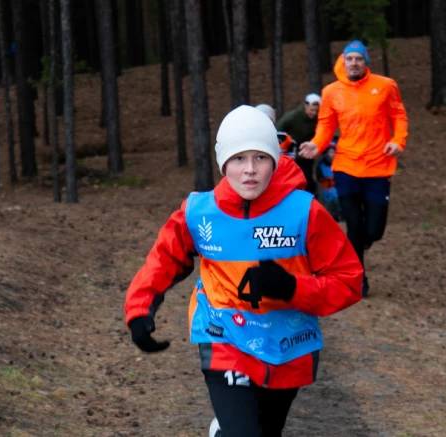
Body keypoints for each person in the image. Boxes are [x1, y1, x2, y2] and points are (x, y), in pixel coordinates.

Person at [124, 105, 363, 437]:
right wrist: (139, 311)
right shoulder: (199, 211)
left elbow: (349, 282)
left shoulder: (304, 211)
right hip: (225, 336)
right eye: (238, 159)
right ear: (223, 163)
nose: (249, 170)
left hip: (288, 343)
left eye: (260, 158)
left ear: (275, 160)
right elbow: (162, 260)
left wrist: (293, 288)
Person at [299, 40, 409, 297]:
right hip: (346, 166)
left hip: (378, 167)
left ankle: (360, 243)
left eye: (359, 59)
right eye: (350, 59)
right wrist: (316, 145)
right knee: (353, 225)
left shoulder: (385, 86)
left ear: (366, 62)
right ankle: (359, 279)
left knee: (374, 230)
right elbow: (325, 127)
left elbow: (398, 116)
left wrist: (397, 141)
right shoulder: (331, 92)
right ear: (343, 61)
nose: (354, 63)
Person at [276, 93, 321, 194]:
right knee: (290, 179)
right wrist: (284, 144)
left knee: (307, 179)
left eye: (316, 111)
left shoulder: (318, 119)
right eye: (312, 110)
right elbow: (277, 130)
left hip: (305, 153)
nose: (314, 113)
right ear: (306, 106)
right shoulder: (292, 117)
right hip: (289, 153)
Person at [316, 139, 341, 222]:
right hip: (326, 186)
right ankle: (333, 217)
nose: (331, 155)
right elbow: (318, 176)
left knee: (338, 201)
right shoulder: (322, 164)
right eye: (330, 152)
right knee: (329, 202)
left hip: (337, 186)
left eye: (333, 152)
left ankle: (341, 215)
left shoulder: (339, 162)